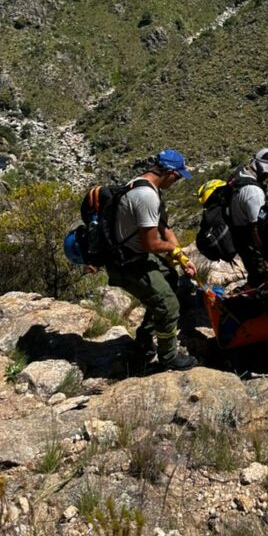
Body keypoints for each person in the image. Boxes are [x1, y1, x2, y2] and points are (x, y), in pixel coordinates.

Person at [108, 148, 199, 371]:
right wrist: (174, 251)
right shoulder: (147, 196)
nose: (177, 181)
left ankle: (144, 342)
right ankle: (169, 356)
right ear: (168, 172)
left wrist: (182, 257)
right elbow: (152, 244)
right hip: (128, 262)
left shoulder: (145, 186)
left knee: (170, 278)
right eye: (177, 176)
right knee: (169, 306)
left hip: (134, 254)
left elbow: (164, 228)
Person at [229, 148, 268, 288]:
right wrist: (265, 256)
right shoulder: (254, 192)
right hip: (250, 242)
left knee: (255, 274)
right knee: (265, 278)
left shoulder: (240, 173)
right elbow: (256, 228)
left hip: (237, 234)